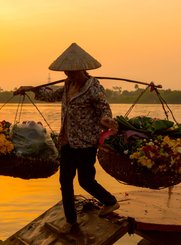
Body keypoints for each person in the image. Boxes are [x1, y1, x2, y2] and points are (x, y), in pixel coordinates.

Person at [14, 43, 120, 233]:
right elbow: (51, 96)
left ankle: (110, 201)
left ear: (81, 69)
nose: (67, 75)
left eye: (71, 72)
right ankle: (71, 221)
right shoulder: (67, 85)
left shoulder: (93, 88)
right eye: (65, 72)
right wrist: (32, 89)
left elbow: (104, 108)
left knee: (86, 181)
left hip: (86, 142)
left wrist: (106, 120)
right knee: (65, 182)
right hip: (67, 141)